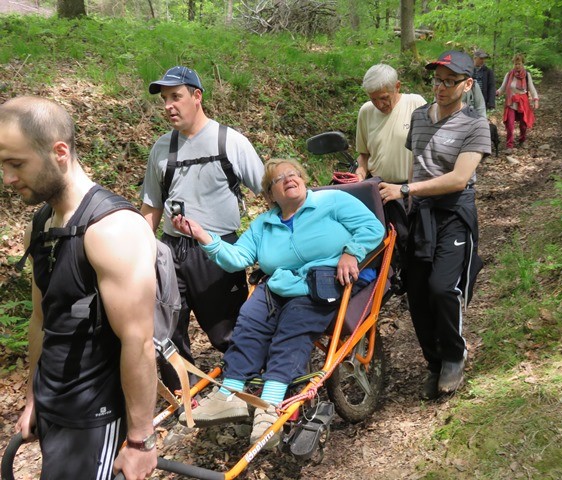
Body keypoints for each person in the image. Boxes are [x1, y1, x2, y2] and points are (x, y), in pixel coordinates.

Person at [171, 158, 385, 448]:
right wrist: (202, 236)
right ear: (270, 194)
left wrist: (352, 252)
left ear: (303, 178)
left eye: (293, 173)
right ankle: (229, 394)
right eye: (279, 179)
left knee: (293, 326)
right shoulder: (264, 223)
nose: (289, 179)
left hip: (326, 277)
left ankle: (269, 407)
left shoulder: (333, 201)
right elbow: (237, 258)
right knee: (249, 319)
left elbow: (373, 228)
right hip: (281, 283)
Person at [1, 96, 158, 479]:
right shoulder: (40, 224)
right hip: (53, 405)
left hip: (94, 418)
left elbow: (138, 340)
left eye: (16, 164)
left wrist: (139, 442)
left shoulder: (113, 229)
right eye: (3, 165)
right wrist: (33, 399)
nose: (7, 179)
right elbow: (42, 319)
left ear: (59, 152)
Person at [141, 66, 265, 389]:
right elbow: (151, 208)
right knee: (169, 330)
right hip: (170, 251)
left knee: (227, 329)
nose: (169, 105)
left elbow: (268, 193)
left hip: (217, 249)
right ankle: (184, 394)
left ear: (197, 97)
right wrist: (141, 254)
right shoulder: (161, 149)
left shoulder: (230, 142)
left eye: (176, 97)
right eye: (165, 99)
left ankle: (250, 386)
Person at [378, 51, 491, 400]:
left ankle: (455, 356)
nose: (440, 87)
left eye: (449, 81)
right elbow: (418, 164)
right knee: (417, 293)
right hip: (419, 215)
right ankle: (434, 363)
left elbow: (459, 179)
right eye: (437, 80)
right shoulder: (419, 117)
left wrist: (406, 189)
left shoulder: (476, 126)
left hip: (454, 213)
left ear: (467, 84)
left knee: (443, 288)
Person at [355, 63, 426, 184]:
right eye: (373, 99)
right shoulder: (366, 111)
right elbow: (364, 155)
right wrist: (360, 172)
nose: (379, 105)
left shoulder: (416, 104)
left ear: (397, 86)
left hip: (408, 187)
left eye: (384, 98)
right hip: (376, 185)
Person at [496, 53, 540, 155]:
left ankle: (522, 140)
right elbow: (502, 88)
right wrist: (496, 93)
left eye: (519, 64)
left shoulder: (527, 75)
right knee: (510, 125)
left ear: (522, 64)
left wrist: (535, 99)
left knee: (523, 124)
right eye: (515, 64)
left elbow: (532, 88)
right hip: (511, 102)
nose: (517, 66)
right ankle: (509, 145)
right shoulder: (509, 75)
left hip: (523, 102)